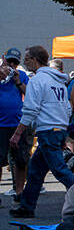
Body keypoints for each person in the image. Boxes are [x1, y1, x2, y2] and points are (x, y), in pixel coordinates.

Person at [11, 46, 74, 218]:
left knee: (60, 170)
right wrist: (63, 129)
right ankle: (27, 206)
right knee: (35, 170)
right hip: (57, 128)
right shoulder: (58, 81)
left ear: (34, 59)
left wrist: (18, 133)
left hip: (47, 130)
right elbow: (67, 108)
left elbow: (30, 109)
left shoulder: (37, 81)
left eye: (27, 58)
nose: (25, 62)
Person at [0, 47, 30, 199]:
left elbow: (29, 94)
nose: (11, 65)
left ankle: (19, 191)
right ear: (4, 59)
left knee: (20, 160)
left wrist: (17, 81)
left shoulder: (22, 75)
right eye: (9, 61)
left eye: (14, 63)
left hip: (18, 123)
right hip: (1, 125)